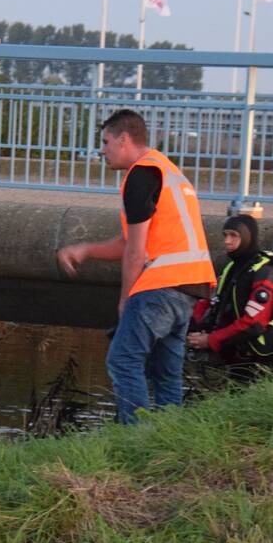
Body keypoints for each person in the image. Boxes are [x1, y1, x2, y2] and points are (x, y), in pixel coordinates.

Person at [56, 109, 216, 424]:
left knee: (123, 359)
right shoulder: (168, 171)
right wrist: (85, 250)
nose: (102, 150)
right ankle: (168, 440)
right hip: (190, 288)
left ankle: (134, 437)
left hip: (161, 287)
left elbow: (135, 252)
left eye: (105, 141)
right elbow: (129, 241)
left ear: (124, 139)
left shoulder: (141, 175)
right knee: (166, 374)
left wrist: (125, 299)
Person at [187, 214, 273, 372]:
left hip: (258, 357)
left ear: (248, 237)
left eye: (234, 235)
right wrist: (194, 329)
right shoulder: (232, 267)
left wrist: (211, 340)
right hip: (235, 346)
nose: (227, 241)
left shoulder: (266, 272)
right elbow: (211, 300)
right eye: (225, 235)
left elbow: (253, 323)